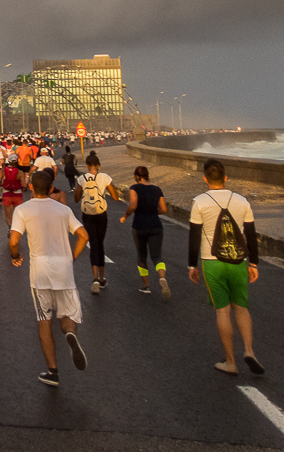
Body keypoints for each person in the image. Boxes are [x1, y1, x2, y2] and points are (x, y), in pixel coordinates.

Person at [10, 171, 89, 386]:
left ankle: (52, 371)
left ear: (31, 187)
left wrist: (15, 256)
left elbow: (14, 240)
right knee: (67, 316)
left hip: (40, 272)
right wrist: (71, 257)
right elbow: (83, 235)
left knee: (44, 320)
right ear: (52, 186)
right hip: (63, 269)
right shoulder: (63, 210)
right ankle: (70, 333)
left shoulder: (23, 210)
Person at [188, 158, 263, 376]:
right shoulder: (242, 201)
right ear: (225, 178)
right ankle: (249, 350)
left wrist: (192, 265)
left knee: (222, 311)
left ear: (205, 179)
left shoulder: (199, 202)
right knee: (241, 307)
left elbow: (194, 236)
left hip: (212, 263)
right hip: (238, 261)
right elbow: (250, 234)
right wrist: (254, 263)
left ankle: (230, 362)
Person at [120, 165, 170, 298]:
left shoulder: (134, 188)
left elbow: (133, 205)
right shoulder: (157, 189)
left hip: (140, 226)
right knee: (157, 256)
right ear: (147, 175)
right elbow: (164, 209)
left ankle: (146, 286)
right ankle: (162, 278)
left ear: (136, 176)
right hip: (156, 225)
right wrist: (153, 212)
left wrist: (125, 216)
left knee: (142, 256)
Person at [74, 153, 118, 293]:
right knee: (100, 243)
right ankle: (102, 278)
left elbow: (76, 199)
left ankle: (94, 278)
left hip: (87, 215)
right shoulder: (105, 177)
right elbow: (115, 197)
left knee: (93, 244)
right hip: (101, 214)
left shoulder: (82, 178)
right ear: (98, 165)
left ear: (87, 166)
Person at [0, 157, 28, 228]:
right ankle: (17, 228)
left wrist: (4, 184)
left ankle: (10, 227)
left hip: (6, 194)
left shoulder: (3, 171)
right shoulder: (20, 172)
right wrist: (23, 186)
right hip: (17, 194)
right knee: (18, 214)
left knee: (8, 217)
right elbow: (24, 185)